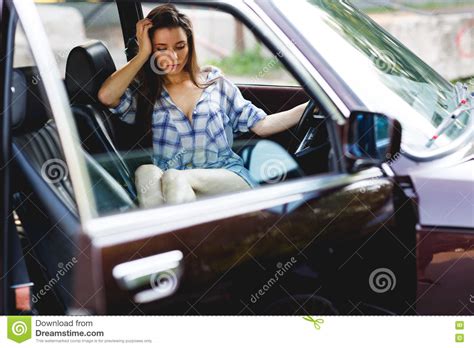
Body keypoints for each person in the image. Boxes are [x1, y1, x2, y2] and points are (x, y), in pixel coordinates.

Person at [98, 4, 308, 208]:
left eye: (180, 46)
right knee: (146, 171)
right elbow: (107, 96)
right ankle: (172, 237)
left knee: (175, 177)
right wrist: (142, 54)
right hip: (169, 188)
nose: (173, 56)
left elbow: (262, 125)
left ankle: (171, 236)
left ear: (190, 45)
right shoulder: (144, 93)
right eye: (161, 48)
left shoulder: (214, 82)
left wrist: (310, 107)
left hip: (225, 177)